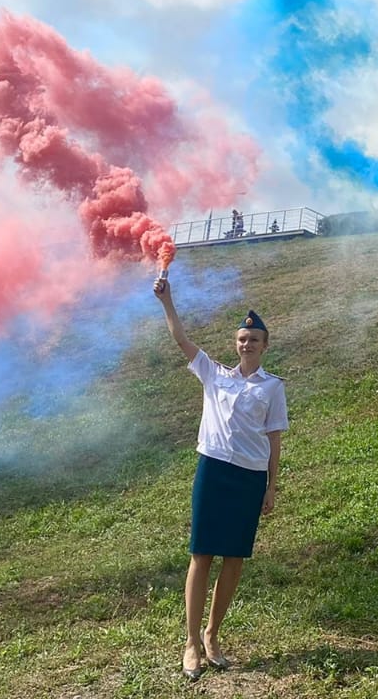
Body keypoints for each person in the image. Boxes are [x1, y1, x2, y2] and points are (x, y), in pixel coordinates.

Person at [153, 278, 288, 678]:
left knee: (234, 558)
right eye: (242, 338)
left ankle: (213, 634)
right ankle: (191, 642)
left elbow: (274, 439)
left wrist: (271, 487)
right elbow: (181, 340)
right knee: (202, 555)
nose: (247, 344)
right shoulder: (215, 374)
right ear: (236, 343)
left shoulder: (273, 388)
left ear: (265, 346)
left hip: (248, 479)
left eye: (254, 339)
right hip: (212, 472)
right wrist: (167, 301)